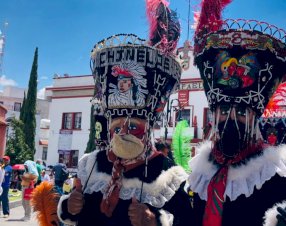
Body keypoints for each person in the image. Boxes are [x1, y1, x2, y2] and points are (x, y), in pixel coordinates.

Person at [56, 1, 193, 226]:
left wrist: (155, 221)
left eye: (132, 127)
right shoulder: (91, 165)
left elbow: (188, 220)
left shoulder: (168, 174)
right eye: (116, 128)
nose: (122, 134)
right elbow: (75, 217)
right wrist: (69, 207)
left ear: (147, 129)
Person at [189, 1, 286, 225]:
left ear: (256, 117)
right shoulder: (200, 171)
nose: (231, 119)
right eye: (224, 110)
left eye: (243, 112)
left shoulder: (274, 173)